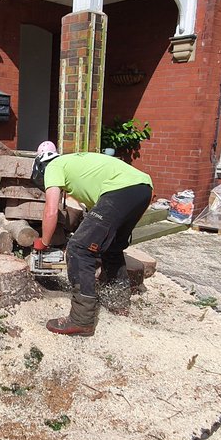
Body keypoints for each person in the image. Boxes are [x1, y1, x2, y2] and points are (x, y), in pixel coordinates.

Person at [30, 141, 153, 337]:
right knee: (111, 247)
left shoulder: (53, 166)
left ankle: (82, 320)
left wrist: (44, 242)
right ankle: (118, 303)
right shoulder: (75, 165)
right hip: (142, 189)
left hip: (120, 190)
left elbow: (51, 211)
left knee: (78, 248)